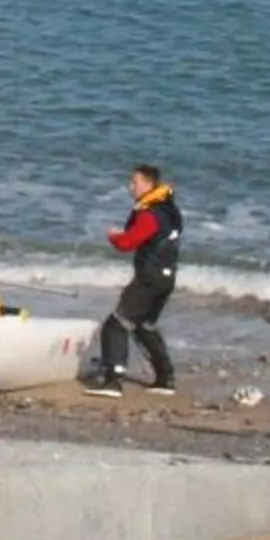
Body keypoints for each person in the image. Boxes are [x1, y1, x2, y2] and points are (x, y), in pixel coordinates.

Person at [86, 164, 180, 397]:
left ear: (148, 184)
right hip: (166, 279)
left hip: (149, 279)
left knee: (116, 324)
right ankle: (165, 379)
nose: (130, 187)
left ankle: (112, 381)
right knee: (144, 326)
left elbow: (127, 243)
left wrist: (113, 236)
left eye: (134, 182)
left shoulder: (150, 214)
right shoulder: (168, 211)